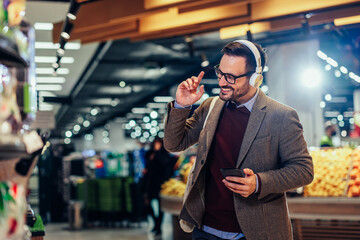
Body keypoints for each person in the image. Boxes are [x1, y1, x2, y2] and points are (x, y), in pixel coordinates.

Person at [163, 40, 314, 240]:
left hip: (255, 232)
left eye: (231, 77)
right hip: (205, 230)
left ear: (255, 79)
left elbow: (303, 170)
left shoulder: (281, 116)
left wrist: (259, 182)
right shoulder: (210, 107)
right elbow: (174, 143)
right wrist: (182, 106)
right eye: (220, 73)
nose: (222, 82)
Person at [143, 137, 174, 236]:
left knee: (161, 207)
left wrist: (157, 152)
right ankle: (156, 223)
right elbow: (147, 166)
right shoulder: (149, 153)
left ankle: (158, 227)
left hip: (161, 184)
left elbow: (165, 164)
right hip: (150, 183)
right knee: (147, 205)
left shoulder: (164, 154)